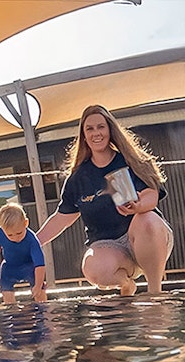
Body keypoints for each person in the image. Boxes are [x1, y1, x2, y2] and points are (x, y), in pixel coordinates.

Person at [35, 104, 173, 296]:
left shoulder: (128, 160)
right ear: (83, 136)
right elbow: (62, 218)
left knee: (147, 219)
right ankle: (126, 285)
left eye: (101, 126)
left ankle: (155, 293)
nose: (96, 133)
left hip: (146, 238)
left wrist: (138, 206)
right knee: (93, 267)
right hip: (109, 247)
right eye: (89, 128)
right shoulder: (78, 178)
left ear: (110, 129)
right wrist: (34, 241)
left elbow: (152, 194)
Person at [0, 202, 47, 305]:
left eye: (19, 233)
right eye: (10, 235)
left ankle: (43, 309)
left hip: (29, 266)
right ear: (2, 229)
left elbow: (39, 264)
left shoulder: (31, 240)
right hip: (10, 267)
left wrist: (38, 285)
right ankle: (11, 310)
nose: (15, 238)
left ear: (25, 223)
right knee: (5, 285)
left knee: (39, 290)